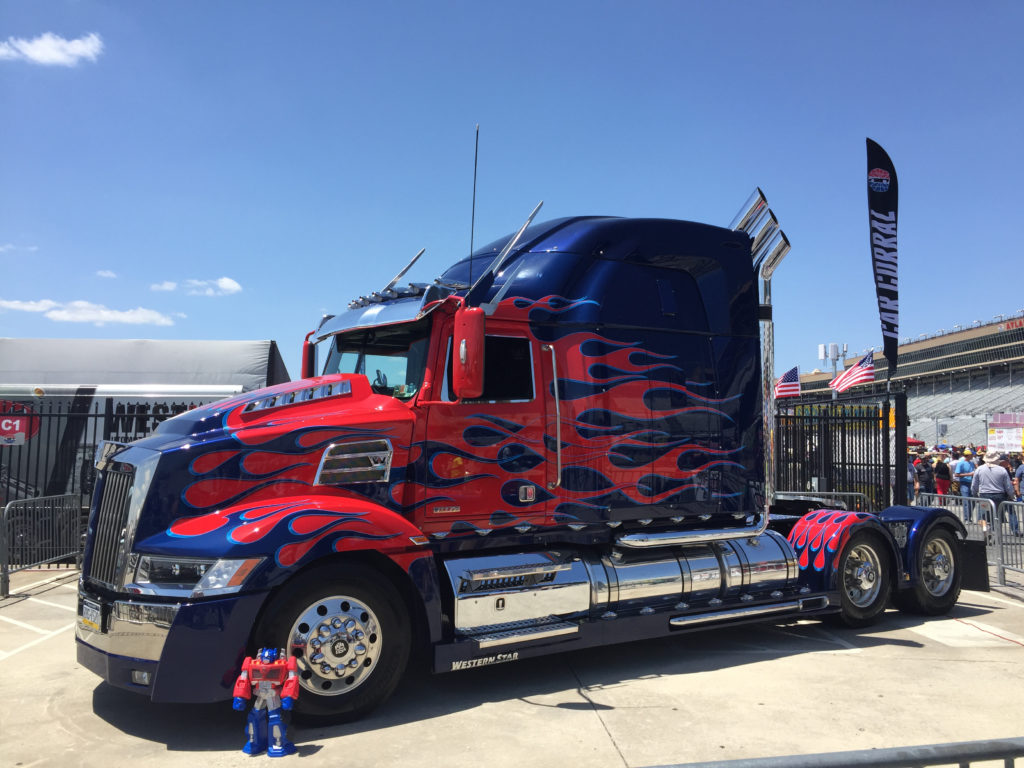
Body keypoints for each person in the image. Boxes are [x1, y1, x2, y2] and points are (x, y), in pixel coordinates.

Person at [971, 449, 1019, 534]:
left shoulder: (979, 469)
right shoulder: (1002, 470)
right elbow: (1008, 486)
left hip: (984, 495)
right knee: (997, 516)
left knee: (982, 517)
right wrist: (1011, 496)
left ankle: (986, 528)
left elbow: (974, 485)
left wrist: (975, 495)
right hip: (999, 495)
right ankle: (996, 535)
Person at [955, 450, 976, 521]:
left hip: (972, 483)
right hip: (964, 483)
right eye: (971, 455)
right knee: (966, 501)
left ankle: (969, 517)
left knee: (972, 501)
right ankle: (967, 518)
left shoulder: (972, 463)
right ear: (968, 455)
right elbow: (956, 474)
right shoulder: (961, 463)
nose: (972, 456)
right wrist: (969, 474)